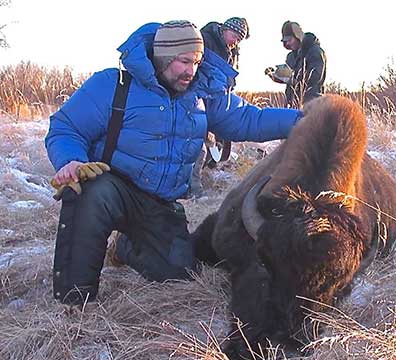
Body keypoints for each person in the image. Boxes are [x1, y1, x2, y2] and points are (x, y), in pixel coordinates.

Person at [45, 20, 302, 306]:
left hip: (159, 202)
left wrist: (306, 121)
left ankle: (126, 247)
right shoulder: (113, 85)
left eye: (196, 61)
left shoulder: (202, 94)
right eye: (183, 61)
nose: (191, 71)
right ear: (164, 57)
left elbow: (248, 119)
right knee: (89, 190)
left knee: (179, 273)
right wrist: (70, 161)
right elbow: (65, 127)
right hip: (113, 186)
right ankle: (74, 301)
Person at [189, 17, 250, 198]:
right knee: (198, 148)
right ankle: (193, 190)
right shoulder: (204, 40)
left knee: (213, 146)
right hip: (197, 101)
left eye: (239, 39)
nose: (235, 41)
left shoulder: (229, 51)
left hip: (214, 103)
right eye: (234, 36)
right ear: (224, 29)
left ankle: (198, 182)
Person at [265, 21, 326, 108]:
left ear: (298, 37)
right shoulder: (290, 56)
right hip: (292, 104)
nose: (288, 43)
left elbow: (316, 76)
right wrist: (276, 75)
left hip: (312, 105)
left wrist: (294, 79)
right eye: (285, 41)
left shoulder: (315, 51)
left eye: (290, 40)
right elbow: (288, 80)